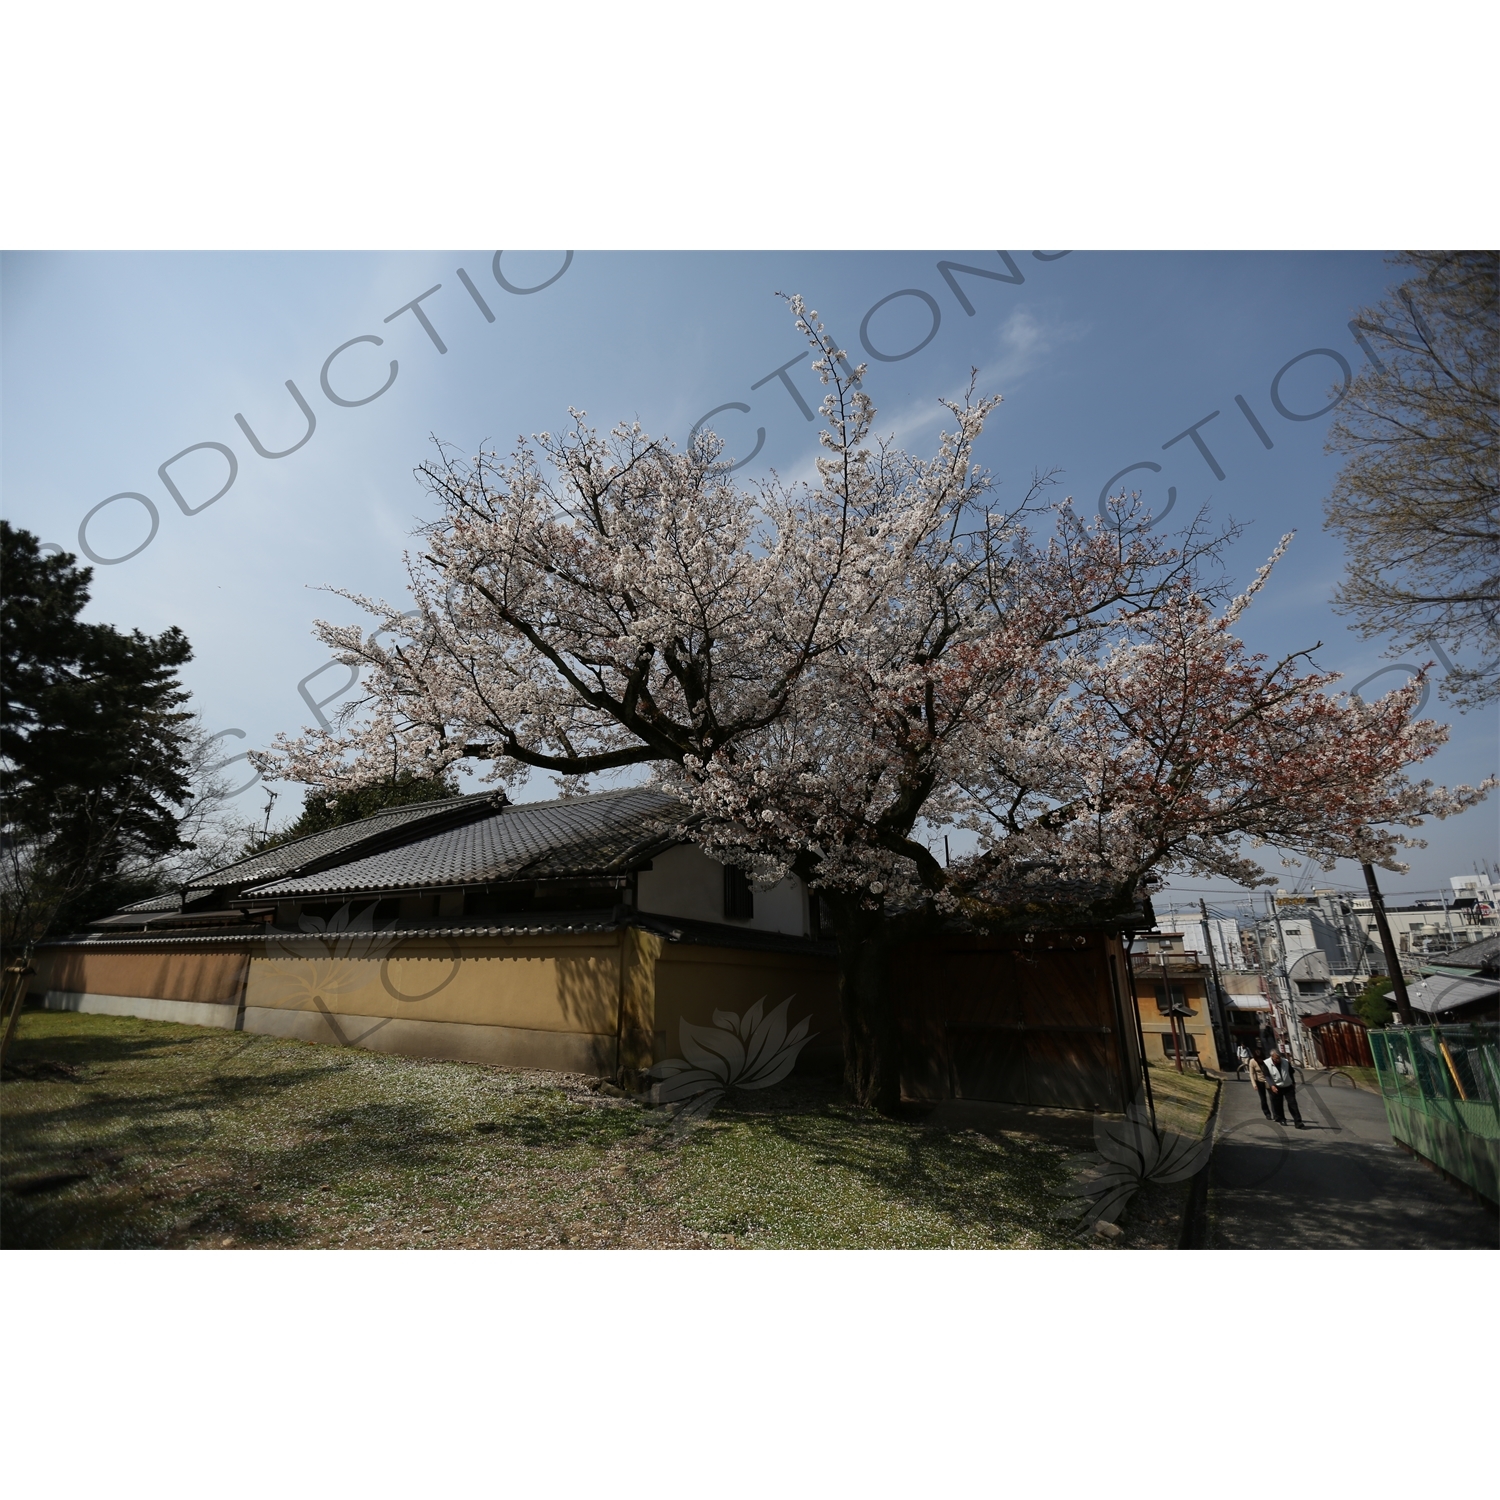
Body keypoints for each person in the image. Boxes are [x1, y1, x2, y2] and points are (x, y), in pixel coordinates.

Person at [1264, 1047, 1305, 1128]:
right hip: (1276, 1086)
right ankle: (1282, 1119)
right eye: (1276, 1058)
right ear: (1272, 1057)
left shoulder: (1285, 1062)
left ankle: (1298, 1121)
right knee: (1278, 1104)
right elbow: (1267, 1076)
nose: (1278, 1059)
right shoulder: (1266, 1063)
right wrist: (1272, 1085)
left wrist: (1293, 1082)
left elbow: (1291, 1072)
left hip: (1288, 1085)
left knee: (1293, 1103)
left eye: (1279, 1057)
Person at [1247, 1048, 1272, 1119]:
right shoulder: (1252, 1061)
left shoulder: (1266, 1061)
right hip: (1259, 1081)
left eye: (1261, 1058)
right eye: (1258, 1059)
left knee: (1272, 1097)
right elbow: (1251, 1074)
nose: (1260, 1060)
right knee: (1263, 1098)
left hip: (1268, 1080)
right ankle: (1267, 1113)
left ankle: (1276, 1114)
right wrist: (1254, 1084)